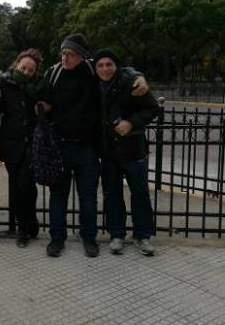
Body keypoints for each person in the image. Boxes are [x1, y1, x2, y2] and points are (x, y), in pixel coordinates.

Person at [42, 34, 149, 258]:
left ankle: (89, 238)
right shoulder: (53, 74)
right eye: (63, 52)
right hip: (60, 146)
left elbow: (120, 71)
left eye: (70, 53)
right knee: (58, 195)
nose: (65, 57)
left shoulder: (93, 73)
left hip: (88, 148)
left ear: (82, 56)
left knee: (88, 196)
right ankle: (56, 239)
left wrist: (139, 76)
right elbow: (41, 96)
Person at [93, 48, 159, 256]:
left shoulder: (131, 82)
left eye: (109, 64)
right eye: (100, 65)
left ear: (116, 65)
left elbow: (152, 108)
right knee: (112, 194)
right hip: (108, 150)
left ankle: (143, 235)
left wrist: (131, 123)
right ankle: (117, 234)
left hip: (132, 148)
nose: (105, 69)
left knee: (139, 193)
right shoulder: (92, 84)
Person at [0, 49, 45, 247]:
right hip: (11, 143)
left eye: (30, 70)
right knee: (17, 186)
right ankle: (24, 228)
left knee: (27, 185)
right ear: (17, 64)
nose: (26, 72)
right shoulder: (4, 83)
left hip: (31, 143)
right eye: (24, 68)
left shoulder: (38, 87)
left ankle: (29, 223)